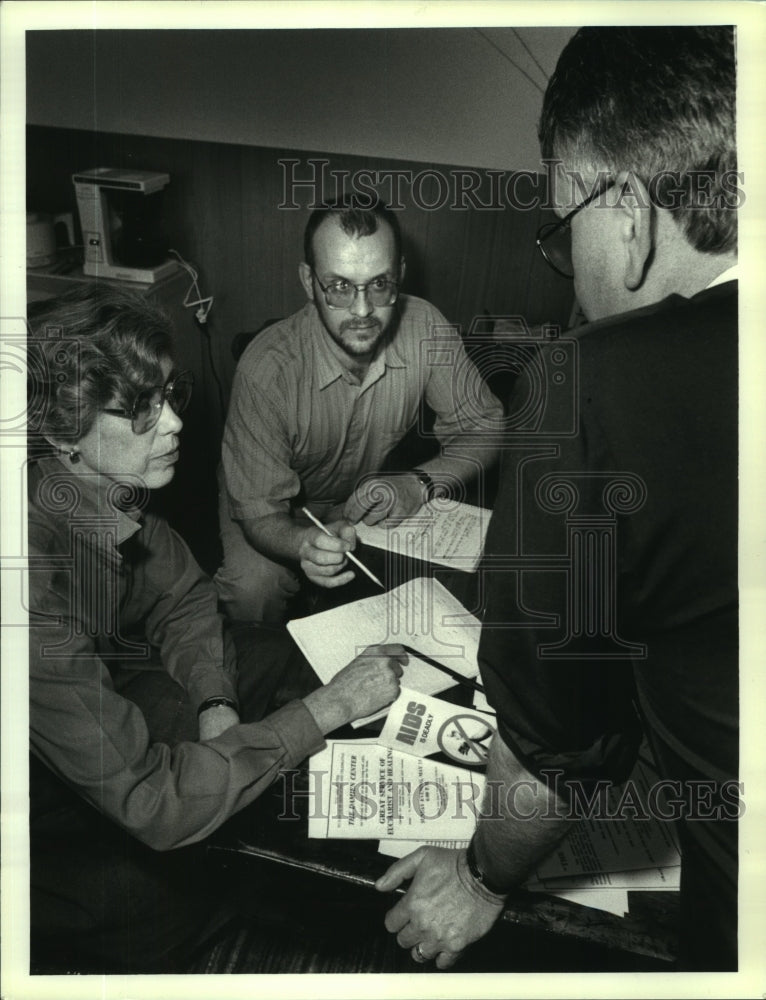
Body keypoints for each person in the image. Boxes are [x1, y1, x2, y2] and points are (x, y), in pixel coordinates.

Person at [375, 26, 739, 972]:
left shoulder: (591, 383)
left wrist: (482, 879)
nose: (570, 271)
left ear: (628, 213)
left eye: (560, 229)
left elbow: (549, 755)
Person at [27, 283, 406, 973]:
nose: (172, 423)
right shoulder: (24, 593)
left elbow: (183, 593)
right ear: (58, 432)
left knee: (275, 658)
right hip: (34, 811)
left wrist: (215, 701)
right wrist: (330, 708)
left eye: (170, 395)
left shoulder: (92, 486)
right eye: (140, 409)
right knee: (172, 891)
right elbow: (152, 802)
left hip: (101, 697)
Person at [215, 196, 503, 622]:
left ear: (400, 275)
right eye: (340, 287)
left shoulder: (425, 326)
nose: (363, 310)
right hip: (268, 498)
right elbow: (260, 512)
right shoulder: (266, 369)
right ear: (308, 281)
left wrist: (420, 484)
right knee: (254, 590)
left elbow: (486, 426)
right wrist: (302, 544)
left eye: (380, 284)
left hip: (362, 496)